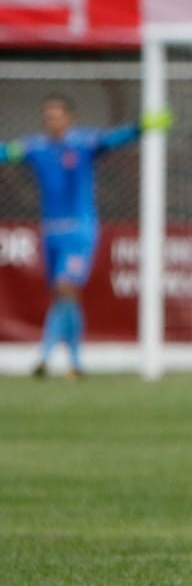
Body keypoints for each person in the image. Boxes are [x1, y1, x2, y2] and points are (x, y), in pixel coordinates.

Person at [0, 96, 170, 378]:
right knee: (63, 296)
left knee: (66, 287)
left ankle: (45, 354)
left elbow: (112, 139)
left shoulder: (83, 143)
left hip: (79, 231)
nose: (52, 121)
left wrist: (141, 127)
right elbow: (6, 152)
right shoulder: (36, 147)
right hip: (50, 232)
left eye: (57, 115)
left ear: (69, 118)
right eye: (48, 116)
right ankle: (75, 363)